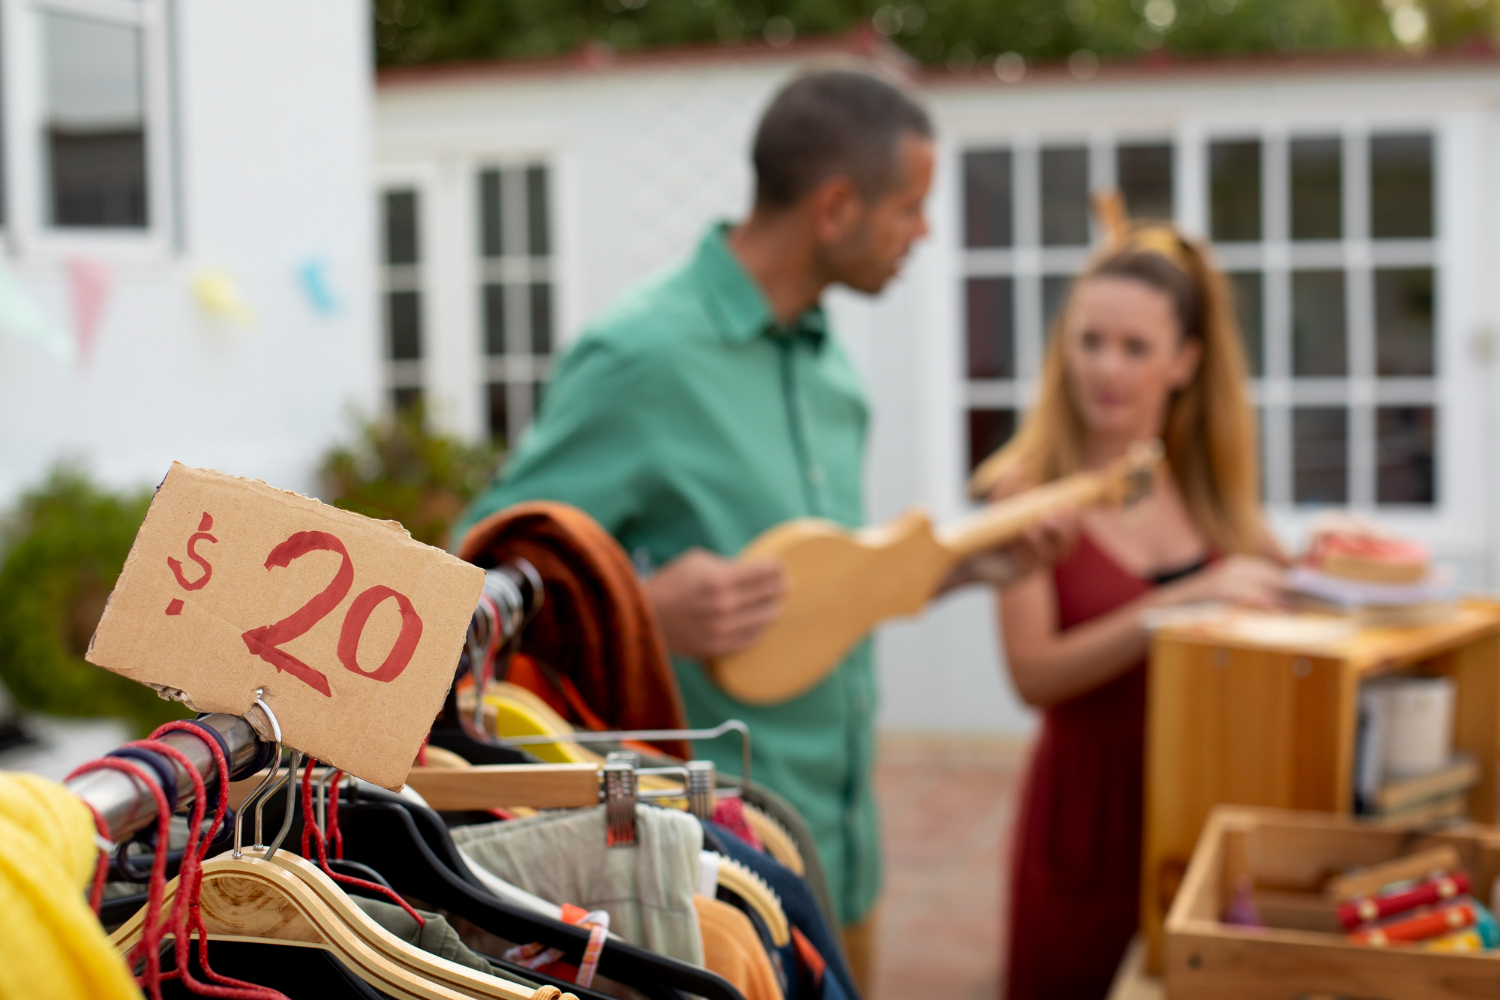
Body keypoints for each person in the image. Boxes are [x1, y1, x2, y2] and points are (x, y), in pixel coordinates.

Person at [453, 69, 1065, 991]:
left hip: (847, 842)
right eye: (912, 207)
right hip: (711, 856)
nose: (925, 233)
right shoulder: (641, 355)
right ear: (836, 207)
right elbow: (472, 581)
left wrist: (982, 569)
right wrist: (644, 608)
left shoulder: (833, 374)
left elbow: (837, 590)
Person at [970, 217, 1287, 999]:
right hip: (1087, 812)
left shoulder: (1205, 487)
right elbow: (1032, 675)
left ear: (1184, 362)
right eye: (1090, 340)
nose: (1105, 368)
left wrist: (1334, 563)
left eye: (1135, 347)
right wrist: (1176, 604)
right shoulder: (1027, 490)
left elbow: (1276, 589)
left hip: (1200, 797)